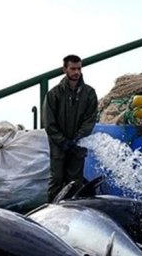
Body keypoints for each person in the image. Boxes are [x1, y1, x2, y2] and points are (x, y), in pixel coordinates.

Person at [43, 54, 98, 201]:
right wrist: (63, 141)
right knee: (56, 180)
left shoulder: (89, 93)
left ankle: (72, 213)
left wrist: (78, 138)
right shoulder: (53, 94)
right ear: (64, 69)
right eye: (72, 68)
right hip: (58, 146)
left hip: (78, 144)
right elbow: (49, 122)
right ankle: (51, 213)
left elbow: (90, 119)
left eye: (79, 68)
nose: (76, 72)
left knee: (75, 182)